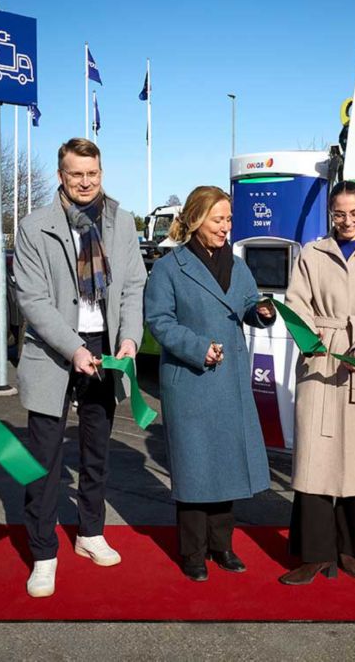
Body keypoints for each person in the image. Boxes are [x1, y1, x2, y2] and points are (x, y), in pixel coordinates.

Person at [13, 137, 147, 598]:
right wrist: (73, 348)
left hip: (105, 346)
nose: (85, 182)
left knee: (96, 452)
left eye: (92, 174)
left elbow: (133, 286)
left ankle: (90, 533)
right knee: (45, 462)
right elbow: (32, 299)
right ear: (60, 176)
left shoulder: (121, 221)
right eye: (76, 174)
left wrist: (129, 337)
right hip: (55, 349)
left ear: (101, 173)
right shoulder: (34, 227)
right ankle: (44, 554)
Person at [143, 186, 277, 582]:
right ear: (197, 220)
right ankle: (193, 554)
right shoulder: (170, 268)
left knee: (227, 466)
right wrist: (199, 348)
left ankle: (223, 546)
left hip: (230, 379)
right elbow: (160, 322)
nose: (226, 227)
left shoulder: (238, 265)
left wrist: (263, 312)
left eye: (229, 219)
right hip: (191, 382)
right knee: (195, 469)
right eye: (219, 220)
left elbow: (250, 305)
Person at [280, 181, 355, 585]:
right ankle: (314, 553)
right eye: (339, 214)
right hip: (322, 359)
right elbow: (296, 302)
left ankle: (353, 548)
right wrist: (312, 340)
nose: (347, 221)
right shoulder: (311, 255)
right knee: (316, 456)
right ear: (330, 214)